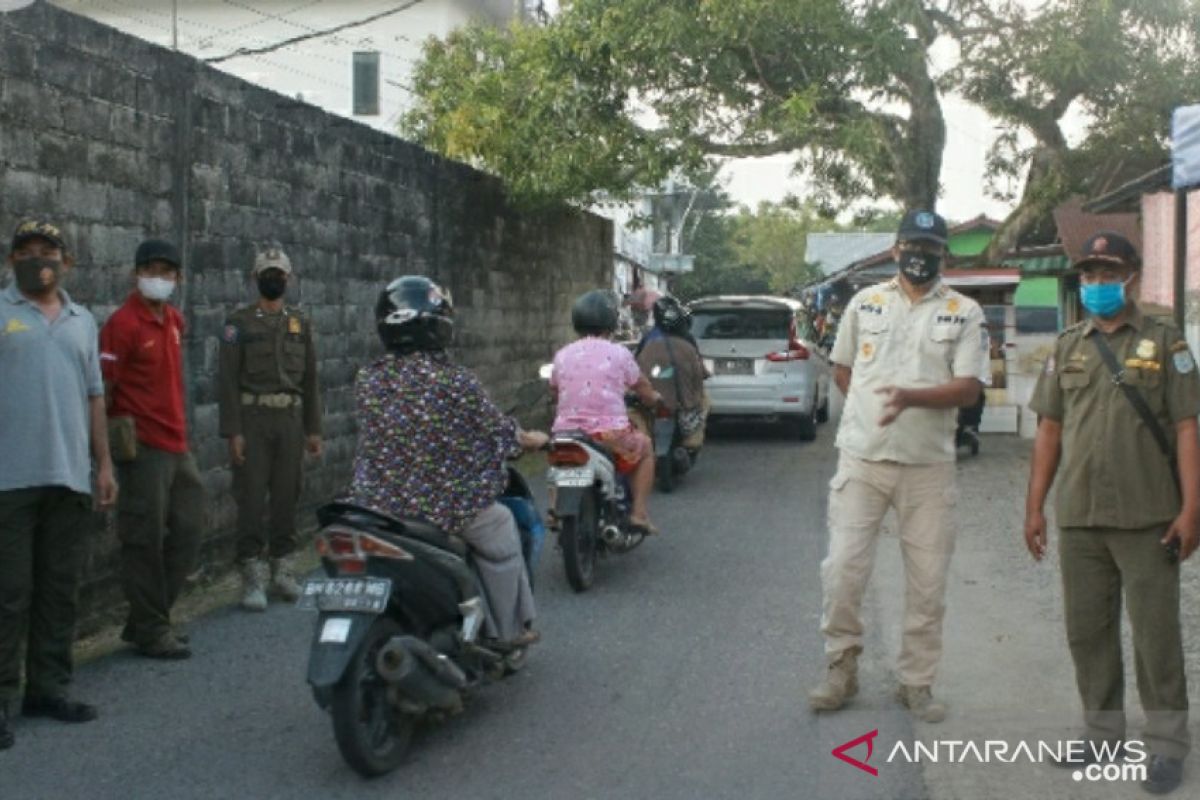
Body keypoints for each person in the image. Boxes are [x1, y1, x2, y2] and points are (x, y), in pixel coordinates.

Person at [1025, 232, 1199, 795]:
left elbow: (1187, 427)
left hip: (1149, 516)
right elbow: (1049, 430)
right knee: (1087, 634)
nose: (1098, 284)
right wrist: (1035, 507)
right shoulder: (1068, 345)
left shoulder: (1166, 342)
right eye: (1091, 275)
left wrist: (1193, 508)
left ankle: (1167, 747)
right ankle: (1102, 735)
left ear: (1133, 277)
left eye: (1110, 273)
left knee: (1156, 640)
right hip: (1079, 516)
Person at [808, 210, 985, 723]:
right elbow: (843, 371)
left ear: (943, 254)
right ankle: (841, 668)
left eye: (930, 247)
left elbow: (969, 387)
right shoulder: (865, 303)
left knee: (927, 582)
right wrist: (871, 414)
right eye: (912, 244)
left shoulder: (963, 311)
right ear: (894, 248)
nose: (920, 255)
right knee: (842, 569)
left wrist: (908, 398)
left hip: (928, 468)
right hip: (862, 460)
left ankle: (917, 682)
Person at [343, 276, 541, 646]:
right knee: (501, 525)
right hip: (443, 508)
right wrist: (529, 439)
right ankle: (507, 631)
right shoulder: (455, 381)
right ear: (438, 324)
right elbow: (499, 434)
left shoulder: (368, 378)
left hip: (376, 508)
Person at [0, 220, 117, 750]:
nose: (35, 257)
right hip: (10, 479)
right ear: (11, 262)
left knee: (58, 591)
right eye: (24, 251)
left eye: (46, 250)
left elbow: (95, 396)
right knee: (9, 594)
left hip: (69, 475)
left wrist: (105, 465)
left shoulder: (81, 322)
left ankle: (47, 688)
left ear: (65, 261)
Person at [100, 240, 204, 660]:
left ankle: (146, 619)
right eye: (151, 270)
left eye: (167, 271)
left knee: (190, 527)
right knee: (143, 539)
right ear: (135, 274)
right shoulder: (122, 325)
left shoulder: (174, 320)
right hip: (142, 448)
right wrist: (104, 454)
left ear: (177, 278)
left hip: (178, 445)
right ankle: (152, 627)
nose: (158, 278)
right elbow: (103, 390)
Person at [217, 246, 323, 611]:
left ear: (289, 279)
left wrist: (314, 429)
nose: (274, 279)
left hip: (290, 421)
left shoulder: (300, 322)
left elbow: (310, 379)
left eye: (279, 273)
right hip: (254, 420)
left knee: (286, 495)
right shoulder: (238, 324)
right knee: (250, 496)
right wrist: (234, 431)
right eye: (267, 273)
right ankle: (252, 574)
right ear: (254, 278)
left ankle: (283, 567)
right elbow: (227, 381)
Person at [550, 289, 663, 535]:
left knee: (561, 462)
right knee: (644, 449)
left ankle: (555, 509)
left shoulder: (562, 355)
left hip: (567, 433)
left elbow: (556, 391)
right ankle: (639, 514)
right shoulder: (620, 353)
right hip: (609, 435)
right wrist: (653, 398)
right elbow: (642, 386)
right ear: (611, 322)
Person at [634, 295, 709, 452]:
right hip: (684, 407)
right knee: (706, 400)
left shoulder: (648, 339)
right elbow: (701, 372)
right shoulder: (687, 341)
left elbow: (635, 368)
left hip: (652, 404)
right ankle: (692, 440)